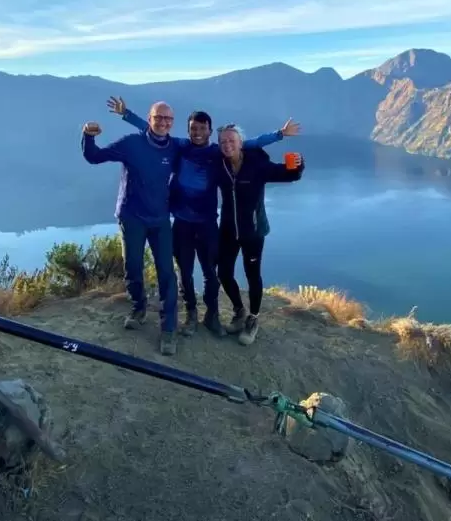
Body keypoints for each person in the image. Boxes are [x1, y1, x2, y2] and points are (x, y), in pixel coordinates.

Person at [107, 96, 300, 338]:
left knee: (211, 272)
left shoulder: (217, 153)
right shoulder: (179, 147)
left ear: (209, 130)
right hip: (182, 223)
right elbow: (152, 129)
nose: (198, 132)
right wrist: (127, 114)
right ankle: (190, 314)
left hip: (207, 223)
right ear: (188, 130)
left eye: (202, 128)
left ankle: (212, 315)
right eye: (193, 129)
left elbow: (247, 143)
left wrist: (279, 135)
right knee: (185, 272)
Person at [80, 102, 181, 356]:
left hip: (160, 220)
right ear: (150, 119)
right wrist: (88, 137)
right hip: (132, 217)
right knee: (133, 267)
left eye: (168, 119)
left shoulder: (175, 147)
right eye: (159, 118)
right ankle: (138, 308)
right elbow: (94, 157)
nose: (164, 122)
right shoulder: (130, 144)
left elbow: (204, 151)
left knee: (167, 273)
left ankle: (169, 329)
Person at [215, 124, 304, 346]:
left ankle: (253, 319)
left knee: (252, 275)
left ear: (240, 143)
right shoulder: (219, 165)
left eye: (231, 141)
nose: (227, 145)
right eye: (223, 142)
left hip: (253, 232)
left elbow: (287, 174)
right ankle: (239, 311)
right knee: (224, 273)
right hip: (227, 230)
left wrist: (298, 166)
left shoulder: (256, 165)